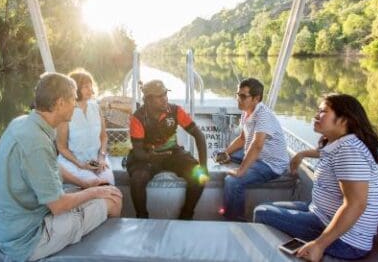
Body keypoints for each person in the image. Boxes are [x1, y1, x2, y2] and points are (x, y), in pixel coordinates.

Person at [0, 72, 122, 262]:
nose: (75, 105)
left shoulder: (21, 123)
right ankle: (108, 253)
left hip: (10, 226)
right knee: (114, 197)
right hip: (30, 238)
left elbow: (51, 166)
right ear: (60, 103)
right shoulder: (37, 143)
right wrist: (95, 193)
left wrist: (85, 184)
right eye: (72, 100)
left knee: (100, 189)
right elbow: (58, 205)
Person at [253, 93, 378, 261]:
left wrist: (319, 245)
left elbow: (356, 204)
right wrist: (301, 154)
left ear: (344, 119)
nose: (316, 115)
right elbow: (323, 153)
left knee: (262, 212)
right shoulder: (340, 143)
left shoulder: (349, 152)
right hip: (319, 212)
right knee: (267, 206)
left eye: (323, 111)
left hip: (346, 241)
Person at [127, 79, 208, 219]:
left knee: (199, 176)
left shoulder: (175, 110)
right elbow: (138, 151)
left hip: (172, 153)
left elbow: (199, 136)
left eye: (165, 94)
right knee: (137, 179)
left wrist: (204, 166)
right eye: (160, 96)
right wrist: (151, 157)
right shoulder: (138, 118)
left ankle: (186, 215)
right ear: (148, 100)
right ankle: (142, 218)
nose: (165, 99)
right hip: (147, 156)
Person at [221, 78, 289, 221]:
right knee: (222, 157)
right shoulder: (246, 112)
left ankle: (236, 219)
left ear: (256, 98)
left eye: (243, 96)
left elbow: (257, 145)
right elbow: (242, 139)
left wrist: (241, 171)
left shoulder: (263, 115)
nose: (238, 99)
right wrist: (226, 152)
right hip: (257, 156)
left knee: (232, 181)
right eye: (237, 95)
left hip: (270, 164)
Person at [57, 68, 115, 185]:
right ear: (75, 88)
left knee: (109, 183)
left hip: (96, 160)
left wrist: (101, 158)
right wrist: (81, 165)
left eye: (90, 86)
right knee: (96, 183)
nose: (90, 90)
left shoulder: (95, 107)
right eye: (85, 87)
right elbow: (61, 147)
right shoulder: (66, 111)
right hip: (74, 162)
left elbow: (103, 137)